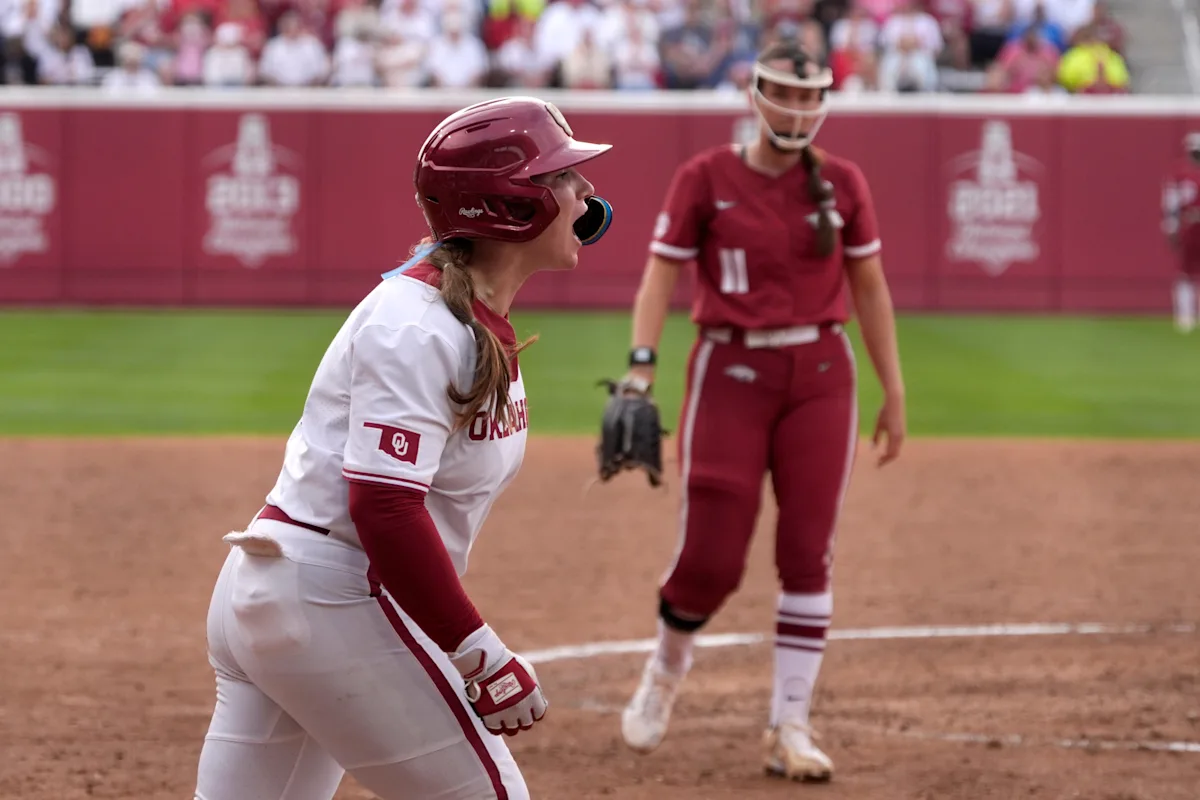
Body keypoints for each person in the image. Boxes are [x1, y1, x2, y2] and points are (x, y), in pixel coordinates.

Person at [192, 96, 614, 800]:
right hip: (334, 594)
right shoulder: (416, 325)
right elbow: (385, 509)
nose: (586, 190)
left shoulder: (457, 317)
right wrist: (479, 652)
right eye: (564, 177)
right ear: (512, 203)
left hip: (296, 593)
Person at [616, 40, 906, 782]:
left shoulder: (842, 181)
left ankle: (790, 725)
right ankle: (666, 669)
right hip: (731, 368)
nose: (799, 109)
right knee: (711, 557)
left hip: (821, 372)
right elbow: (659, 277)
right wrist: (641, 368)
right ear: (755, 92)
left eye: (811, 96)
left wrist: (893, 388)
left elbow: (870, 286)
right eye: (786, 92)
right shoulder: (705, 176)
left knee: (808, 550)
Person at [1163, 132, 1200, 333]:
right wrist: (1170, 227)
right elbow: (1171, 202)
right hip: (1189, 225)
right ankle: (1185, 314)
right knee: (1185, 271)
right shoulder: (1180, 174)